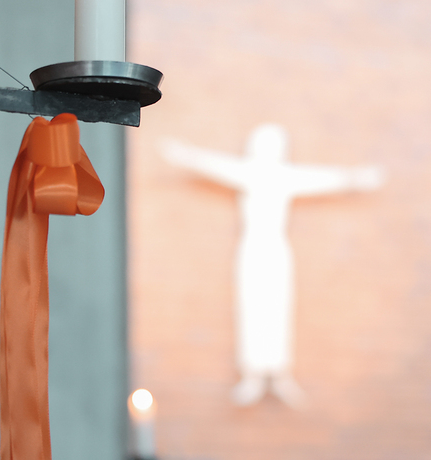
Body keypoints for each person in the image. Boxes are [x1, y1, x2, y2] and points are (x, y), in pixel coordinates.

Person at [162, 124, 383, 407]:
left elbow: (323, 179)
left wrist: (357, 178)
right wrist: (186, 156)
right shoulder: (249, 173)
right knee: (251, 306)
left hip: (276, 248)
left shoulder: (284, 176)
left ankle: (279, 373)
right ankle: (252, 374)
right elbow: (215, 166)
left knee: (279, 306)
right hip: (252, 248)